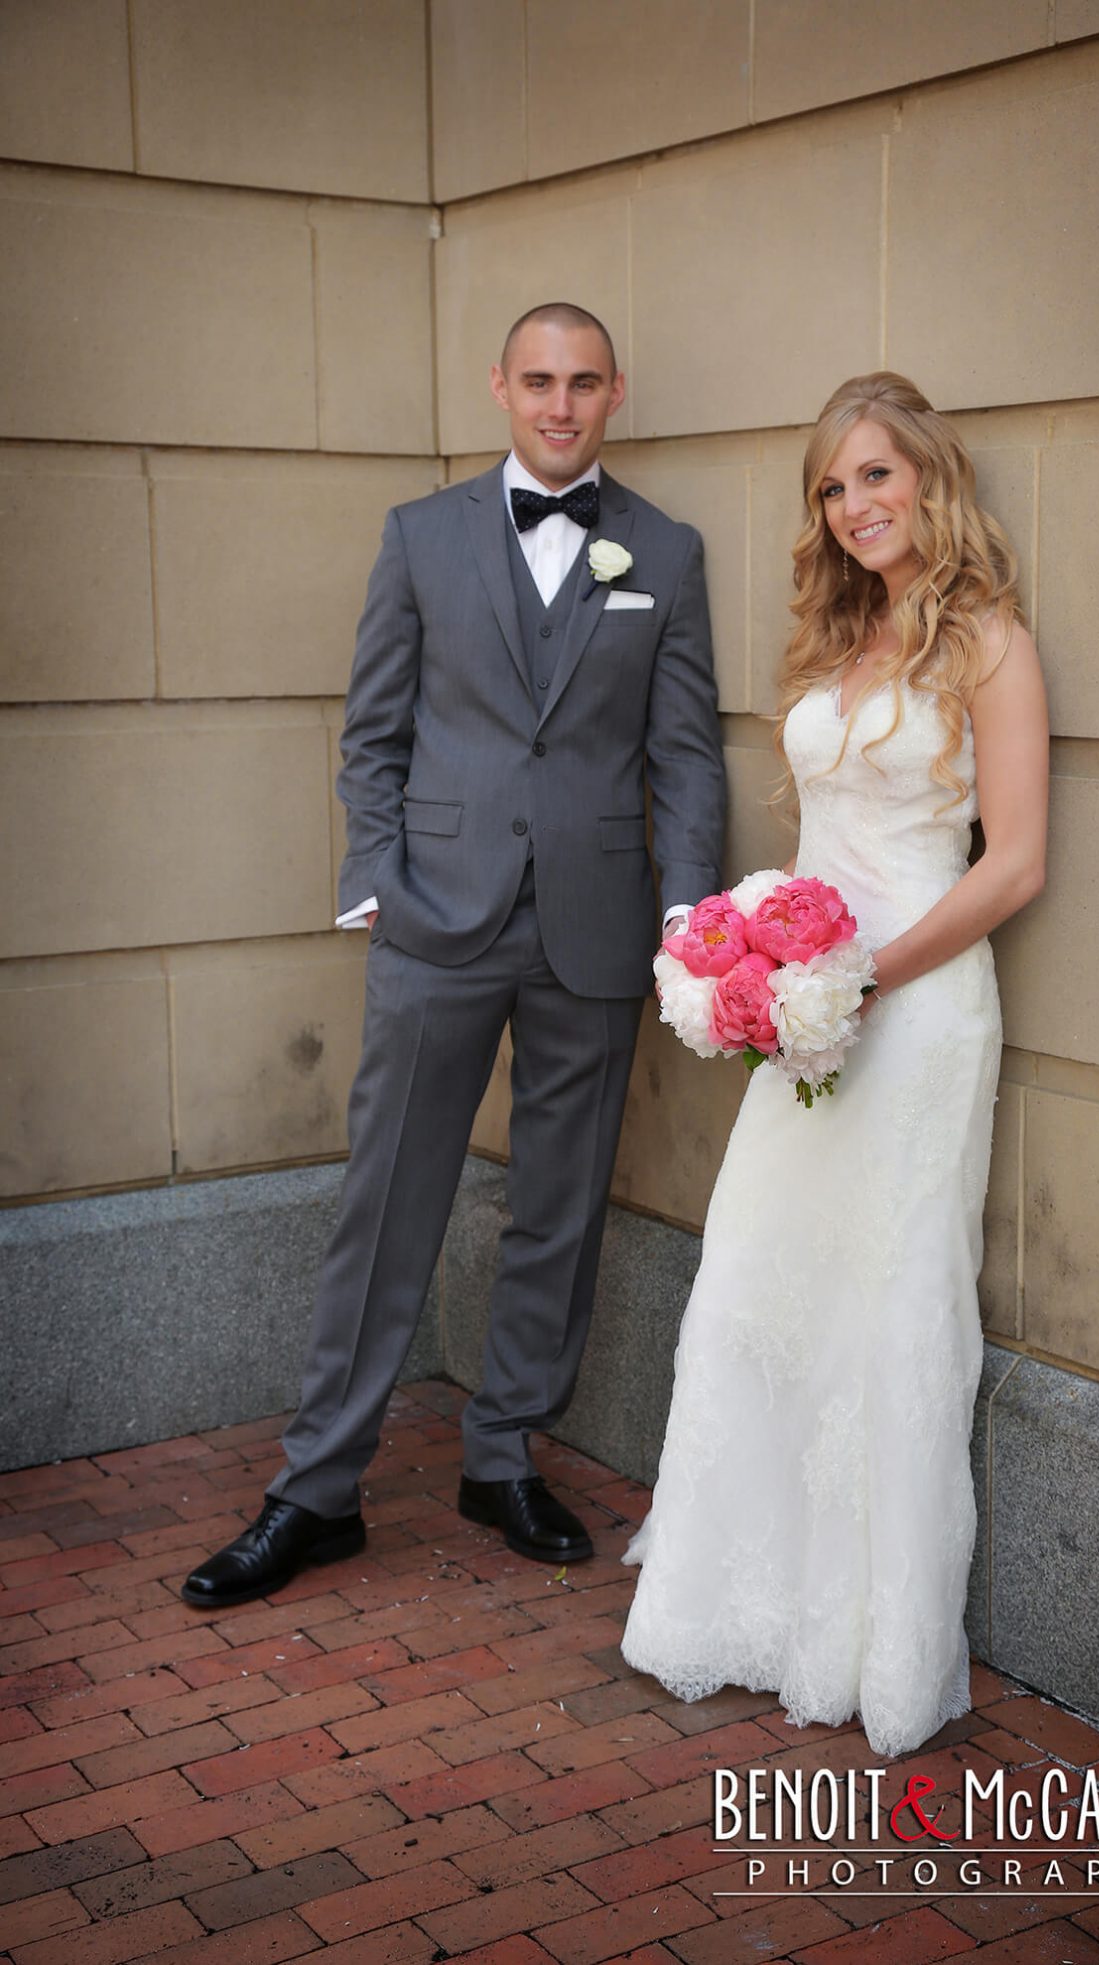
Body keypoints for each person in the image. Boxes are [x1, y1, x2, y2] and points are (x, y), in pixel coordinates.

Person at [183, 303, 726, 1608]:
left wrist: (689, 918)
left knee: (559, 1203)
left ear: (613, 393)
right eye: (536, 380)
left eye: (582, 383)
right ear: (498, 386)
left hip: (594, 925)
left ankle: (501, 1452)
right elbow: (370, 728)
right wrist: (373, 878)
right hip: (435, 915)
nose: (558, 404)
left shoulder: (664, 548)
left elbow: (686, 750)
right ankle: (316, 1488)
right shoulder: (419, 537)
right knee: (387, 1203)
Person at [620, 371, 1048, 1756]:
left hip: (914, 1015)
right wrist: (753, 961)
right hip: (807, 1012)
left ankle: (870, 1640)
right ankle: (737, 1599)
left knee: (883, 1305)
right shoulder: (839, 631)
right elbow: (818, 850)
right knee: (758, 1276)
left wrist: (865, 974)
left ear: (927, 475)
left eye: (875, 474)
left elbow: (1019, 862)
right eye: (831, 484)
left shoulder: (987, 639)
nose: (854, 503)